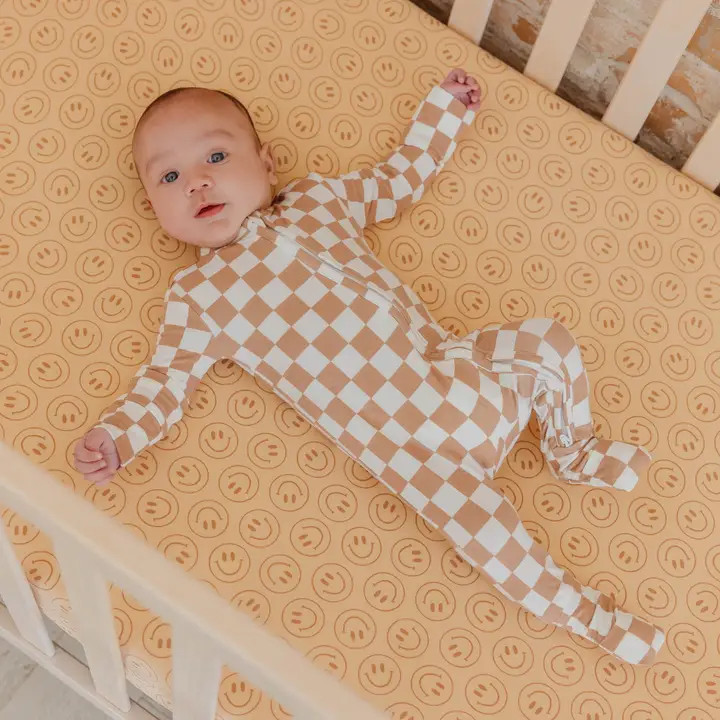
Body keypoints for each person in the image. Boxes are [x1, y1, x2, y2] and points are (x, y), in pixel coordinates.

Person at [73, 68, 664, 665]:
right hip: (415, 455)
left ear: (267, 163)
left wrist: (445, 113)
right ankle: (590, 617)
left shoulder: (318, 202)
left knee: (547, 341)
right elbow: (165, 383)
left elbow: (398, 178)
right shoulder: (200, 297)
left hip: (461, 373)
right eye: (169, 177)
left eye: (216, 156)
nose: (197, 182)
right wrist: (118, 436)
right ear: (153, 206)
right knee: (493, 541)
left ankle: (572, 449)